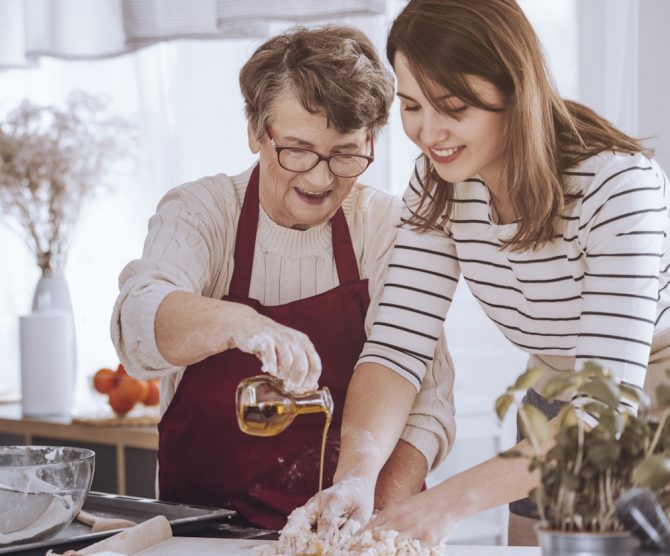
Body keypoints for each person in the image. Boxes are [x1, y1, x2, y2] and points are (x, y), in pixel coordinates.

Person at [294, 0, 670, 546]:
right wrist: (357, 475)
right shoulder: (439, 182)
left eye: (452, 107)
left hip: (649, 401)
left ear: (515, 91)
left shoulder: (617, 186)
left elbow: (607, 408)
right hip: (554, 399)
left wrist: (446, 502)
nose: (428, 132)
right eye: (412, 106)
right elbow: (398, 348)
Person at [110, 25, 456, 530]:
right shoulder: (203, 211)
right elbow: (136, 325)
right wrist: (238, 323)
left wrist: (365, 524)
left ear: (371, 141)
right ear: (255, 130)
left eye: (344, 153)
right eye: (296, 149)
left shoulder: (387, 227)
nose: (319, 179)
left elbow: (427, 405)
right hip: (210, 541)